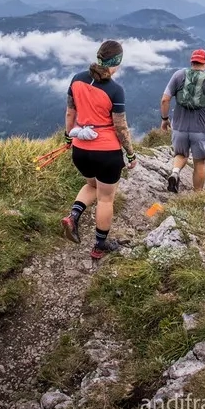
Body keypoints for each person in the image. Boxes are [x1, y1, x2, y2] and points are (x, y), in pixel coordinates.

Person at [60, 40, 138, 259]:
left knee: (91, 185)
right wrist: (130, 154)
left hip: (81, 149)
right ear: (118, 62)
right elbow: (120, 127)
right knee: (105, 198)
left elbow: (69, 113)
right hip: (106, 152)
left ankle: (73, 216)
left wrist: (68, 138)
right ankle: (99, 246)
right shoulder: (115, 90)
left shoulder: (77, 80)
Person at [161, 48, 205, 194]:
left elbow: (165, 99)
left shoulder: (178, 75)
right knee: (200, 162)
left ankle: (175, 172)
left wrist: (165, 119)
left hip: (179, 126)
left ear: (191, 61)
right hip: (200, 128)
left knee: (181, 154)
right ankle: (197, 194)